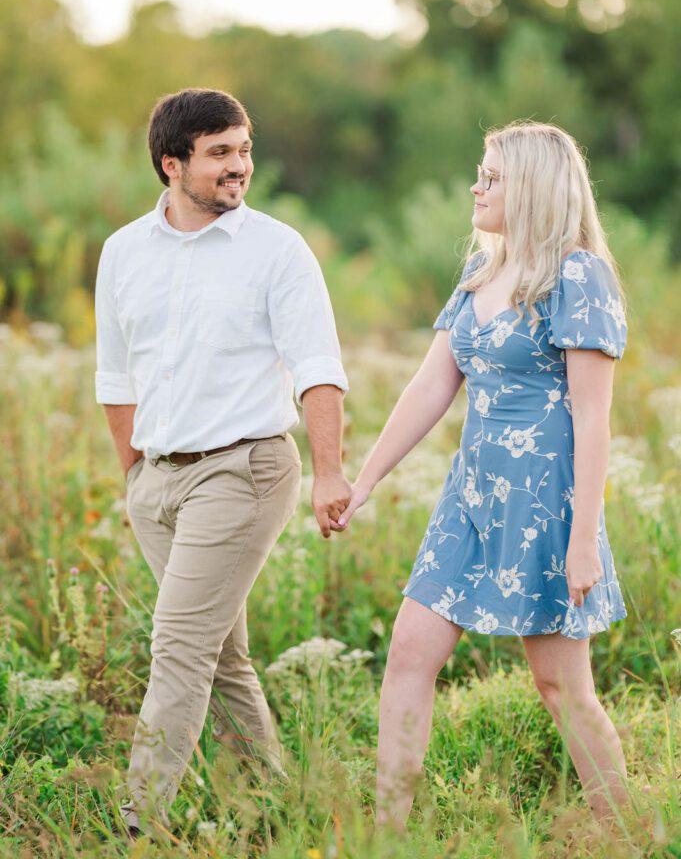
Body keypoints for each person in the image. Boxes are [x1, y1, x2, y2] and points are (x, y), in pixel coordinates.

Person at [338, 122, 629, 829]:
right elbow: (430, 388)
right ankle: (389, 832)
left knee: (559, 686)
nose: (476, 186)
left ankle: (623, 831)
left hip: (547, 505)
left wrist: (582, 540)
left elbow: (593, 418)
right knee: (408, 652)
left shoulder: (576, 275)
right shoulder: (477, 275)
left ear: (529, 187)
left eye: (490, 177)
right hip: (469, 502)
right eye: (479, 172)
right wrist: (365, 479)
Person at [94, 87, 350, 835]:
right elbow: (116, 375)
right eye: (219, 154)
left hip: (244, 471)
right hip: (157, 481)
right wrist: (135, 474)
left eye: (242, 149)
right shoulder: (122, 253)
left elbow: (316, 366)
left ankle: (138, 826)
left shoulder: (276, 249)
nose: (239, 166)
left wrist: (330, 470)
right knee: (219, 655)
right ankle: (270, 809)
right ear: (171, 164)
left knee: (176, 645)